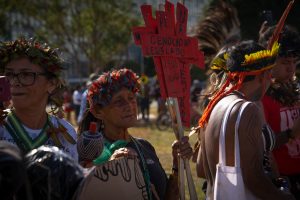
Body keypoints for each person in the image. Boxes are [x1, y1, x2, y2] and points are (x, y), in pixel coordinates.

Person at [197, 40, 295, 199]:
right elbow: (253, 179)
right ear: (262, 76)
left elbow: (201, 169)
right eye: (269, 76)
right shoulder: (247, 110)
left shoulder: (214, 106)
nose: (270, 81)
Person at [78, 68, 193, 200]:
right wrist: (110, 168)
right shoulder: (92, 154)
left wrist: (177, 163)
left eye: (131, 98)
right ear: (98, 112)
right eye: (119, 101)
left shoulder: (145, 146)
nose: (129, 106)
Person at [0, 37, 78, 161]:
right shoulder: (2, 129)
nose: (15, 82)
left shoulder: (65, 132)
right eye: (9, 74)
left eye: (26, 75)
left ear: (51, 84)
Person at [259, 24, 300, 198]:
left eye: (293, 62)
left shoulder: (295, 90)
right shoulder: (261, 98)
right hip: (283, 179)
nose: (291, 68)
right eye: (285, 63)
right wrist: (279, 183)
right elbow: (264, 146)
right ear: (270, 63)